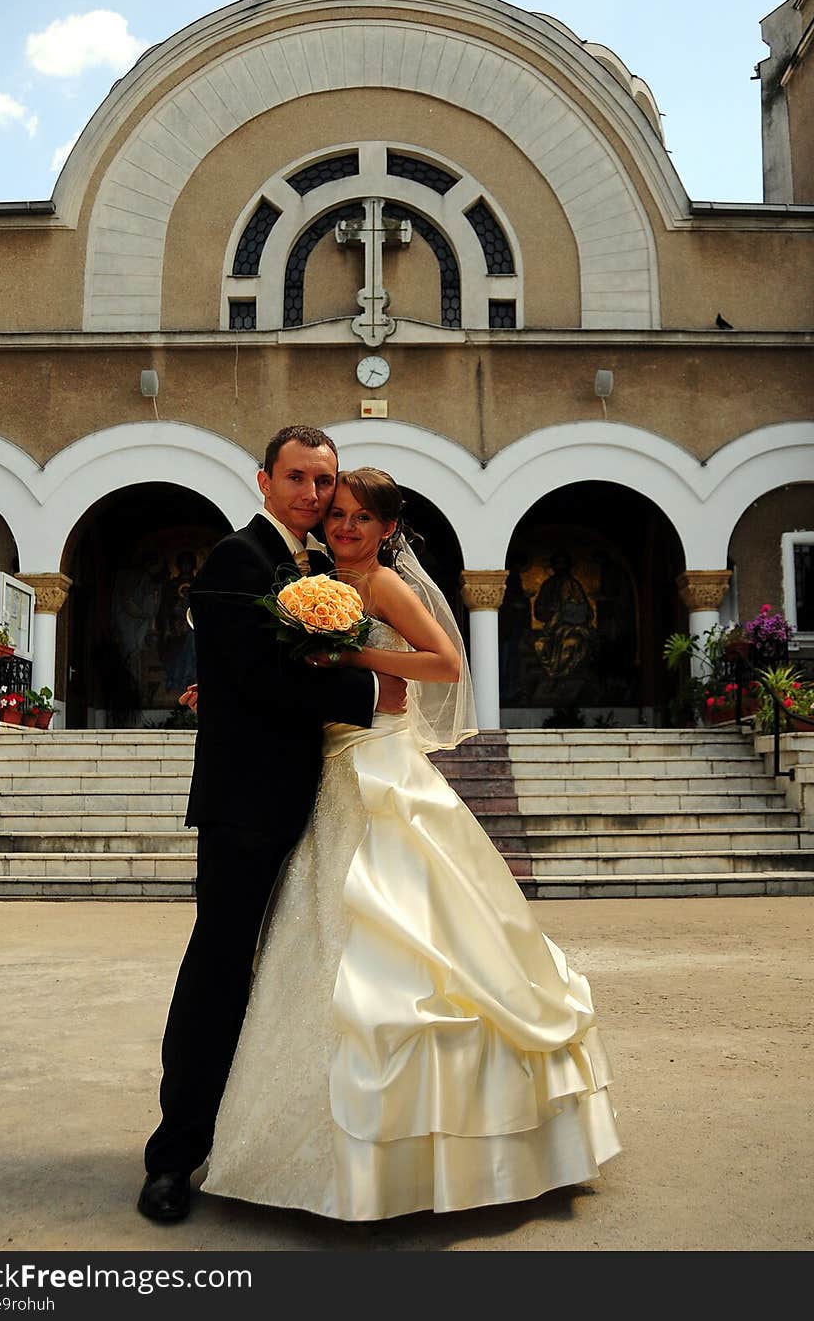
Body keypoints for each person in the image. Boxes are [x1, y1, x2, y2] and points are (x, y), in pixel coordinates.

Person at [201, 469, 620, 1221]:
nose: (347, 527)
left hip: (381, 763)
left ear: (389, 528)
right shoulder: (317, 578)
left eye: (363, 517)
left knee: (406, 940)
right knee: (319, 939)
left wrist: (364, 660)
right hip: (329, 764)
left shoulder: (385, 585)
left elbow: (443, 664)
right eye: (337, 514)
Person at [138, 429, 407, 1223]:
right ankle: (173, 1157)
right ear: (265, 480)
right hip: (246, 803)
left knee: (313, 972)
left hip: (322, 796)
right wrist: (368, 698)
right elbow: (247, 677)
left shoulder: (329, 566)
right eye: (297, 477)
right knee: (220, 968)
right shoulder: (237, 559)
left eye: (324, 481)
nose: (313, 494)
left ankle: (278, 1142)